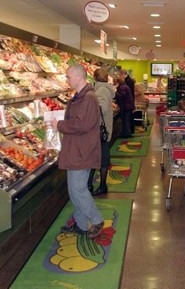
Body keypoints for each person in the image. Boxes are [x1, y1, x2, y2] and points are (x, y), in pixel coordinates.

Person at [55, 64, 103, 238]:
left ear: (78, 77)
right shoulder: (80, 97)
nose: (66, 80)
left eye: (68, 77)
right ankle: (81, 224)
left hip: (82, 151)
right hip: (75, 149)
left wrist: (59, 125)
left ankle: (97, 220)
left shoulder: (88, 98)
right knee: (74, 190)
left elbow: (82, 124)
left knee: (78, 190)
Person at [90, 67, 115, 196]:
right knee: (100, 157)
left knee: (101, 158)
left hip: (100, 130)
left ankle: (102, 186)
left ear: (95, 77)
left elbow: (101, 109)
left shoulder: (101, 90)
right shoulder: (104, 89)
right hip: (105, 129)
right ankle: (94, 184)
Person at [120, 69, 136, 134]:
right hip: (129, 102)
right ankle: (130, 130)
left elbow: (124, 94)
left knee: (127, 119)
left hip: (127, 103)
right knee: (129, 118)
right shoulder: (129, 80)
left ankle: (127, 132)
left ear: (123, 74)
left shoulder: (127, 82)